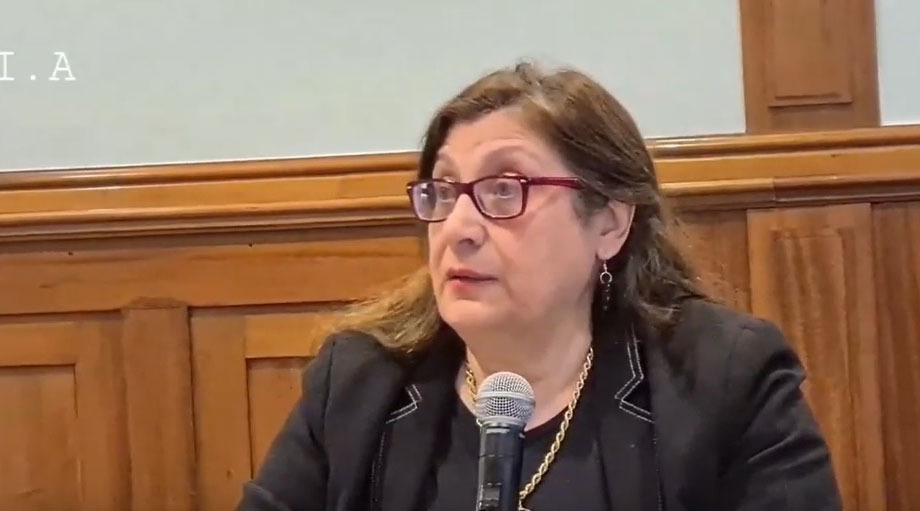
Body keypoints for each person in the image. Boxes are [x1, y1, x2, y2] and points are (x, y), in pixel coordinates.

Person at [237, 62, 841, 511]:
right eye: (443, 191)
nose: (459, 227)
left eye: (505, 190)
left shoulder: (723, 380)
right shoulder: (359, 382)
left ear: (609, 222)